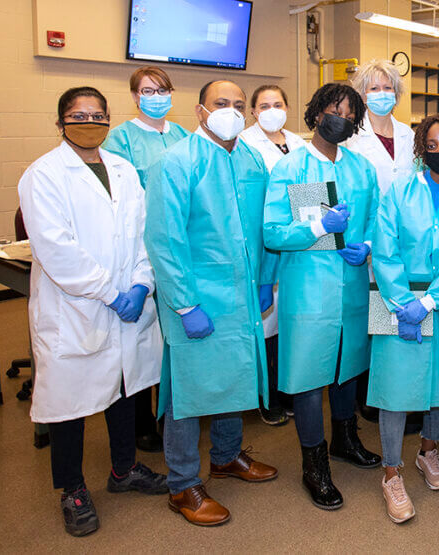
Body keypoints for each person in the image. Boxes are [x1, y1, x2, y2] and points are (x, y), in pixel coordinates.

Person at [19, 86, 168, 537]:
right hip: (76, 306)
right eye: (78, 115)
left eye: (98, 114)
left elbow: (146, 232)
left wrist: (143, 282)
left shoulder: (122, 170)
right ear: (61, 121)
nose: (89, 121)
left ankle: (124, 471)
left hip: (128, 300)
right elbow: (56, 249)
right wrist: (110, 291)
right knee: (69, 403)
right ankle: (73, 489)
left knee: (125, 389)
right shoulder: (43, 174)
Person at [144, 80, 279, 527]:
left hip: (243, 293)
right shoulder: (177, 161)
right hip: (199, 296)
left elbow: (261, 227)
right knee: (190, 390)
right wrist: (183, 304)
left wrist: (266, 280)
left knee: (234, 376)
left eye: (240, 105)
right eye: (223, 104)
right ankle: (182, 484)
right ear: (201, 111)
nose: (233, 112)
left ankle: (225, 457)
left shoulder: (251, 158)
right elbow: (165, 238)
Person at [263, 83, 382, 511]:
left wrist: (366, 246)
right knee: (310, 375)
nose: (341, 118)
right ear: (316, 113)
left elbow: (377, 221)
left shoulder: (362, 169)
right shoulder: (292, 169)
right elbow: (273, 232)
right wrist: (317, 228)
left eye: (350, 113)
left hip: (351, 283)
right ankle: (313, 463)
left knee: (348, 366)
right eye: (334, 109)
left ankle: (345, 440)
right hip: (308, 288)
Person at [369, 114, 439, 523]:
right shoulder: (399, 190)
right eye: (432, 144)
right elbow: (384, 245)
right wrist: (400, 303)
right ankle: (390, 471)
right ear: (421, 150)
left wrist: (428, 302)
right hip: (396, 295)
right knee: (394, 388)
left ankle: (428, 450)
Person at [103, 65, 189, 452]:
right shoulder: (121, 139)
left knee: (173, 340)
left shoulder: (182, 135)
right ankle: (141, 424)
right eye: (148, 91)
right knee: (141, 343)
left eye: (162, 90)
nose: (156, 97)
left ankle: (174, 412)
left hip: (180, 245)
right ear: (135, 96)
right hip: (140, 249)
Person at [239, 84, 307, 427]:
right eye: (263, 105)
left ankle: (287, 389)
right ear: (253, 112)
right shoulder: (244, 143)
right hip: (263, 239)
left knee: (288, 321)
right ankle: (267, 397)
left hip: (298, 240)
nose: (270, 110)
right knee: (264, 325)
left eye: (277, 104)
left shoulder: (299, 143)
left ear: (287, 106)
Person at [345, 59, 415, 195]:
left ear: (396, 94)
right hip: (369, 213)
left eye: (388, 88)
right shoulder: (351, 136)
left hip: (404, 212)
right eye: (374, 88)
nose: (382, 93)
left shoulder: (408, 134)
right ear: (364, 96)